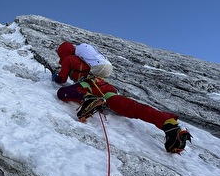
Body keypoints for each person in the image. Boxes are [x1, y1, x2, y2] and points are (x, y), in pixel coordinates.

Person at [51, 41, 192, 154]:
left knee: (62, 92)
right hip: (105, 87)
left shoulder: (68, 59)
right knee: (133, 107)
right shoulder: (88, 60)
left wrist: (55, 77)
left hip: (89, 86)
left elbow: (62, 79)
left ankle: (89, 99)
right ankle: (169, 124)